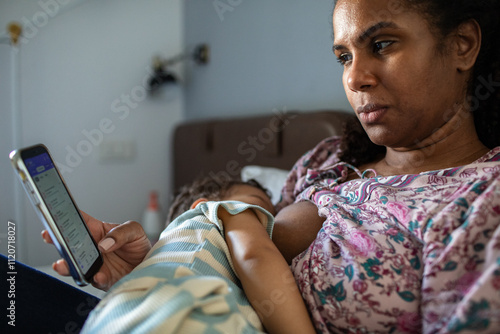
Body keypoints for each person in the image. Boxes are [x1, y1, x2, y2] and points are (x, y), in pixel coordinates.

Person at [45, 0, 500, 333]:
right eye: (343, 56)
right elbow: (247, 244)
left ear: (462, 46)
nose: (355, 78)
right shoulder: (326, 161)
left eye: (381, 45)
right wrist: (161, 265)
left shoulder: (481, 200)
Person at [72, 176, 314, 333]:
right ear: (201, 204)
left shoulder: (170, 249)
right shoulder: (220, 211)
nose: (270, 222)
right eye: (257, 205)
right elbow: (256, 256)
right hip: (182, 312)